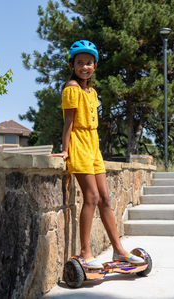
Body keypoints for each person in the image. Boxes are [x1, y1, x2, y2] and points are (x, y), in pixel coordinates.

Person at [49, 40, 144, 269]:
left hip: (94, 146)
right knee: (91, 197)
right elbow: (69, 121)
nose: (84, 66)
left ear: (95, 66)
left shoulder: (92, 91)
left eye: (89, 63)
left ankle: (119, 251)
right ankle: (85, 251)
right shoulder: (71, 88)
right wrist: (65, 150)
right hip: (79, 144)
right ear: (72, 64)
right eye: (79, 62)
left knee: (105, 198)